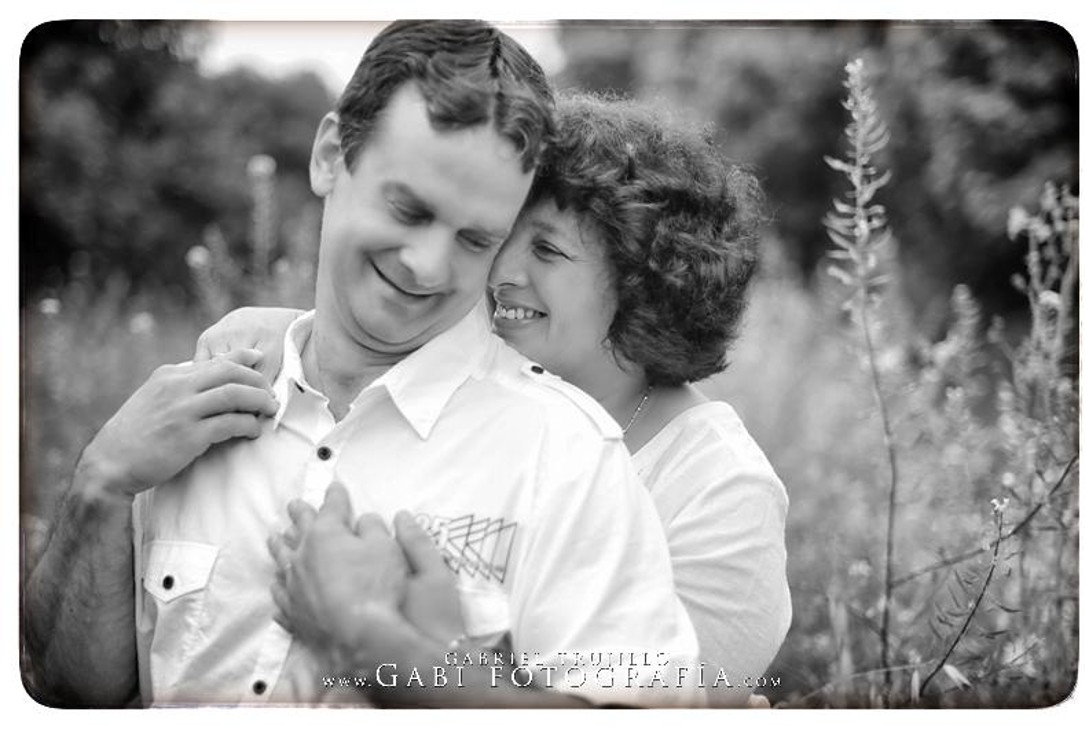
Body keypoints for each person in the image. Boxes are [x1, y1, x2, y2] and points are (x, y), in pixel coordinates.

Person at [24, 21, 701, 709]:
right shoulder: (187, 413)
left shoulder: (565, 457)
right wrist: (100, 487)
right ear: (328, 156)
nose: (429, 266)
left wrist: (385, 651)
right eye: (408, 209)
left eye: (476, 240)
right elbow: (65, 690)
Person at [201, 92, 792, 708]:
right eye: (499, 235)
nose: (499, 270)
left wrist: (384, 643)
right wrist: (285, 328)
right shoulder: (465, 392)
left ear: (648, 283)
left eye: (546, 250)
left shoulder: (723, 490)